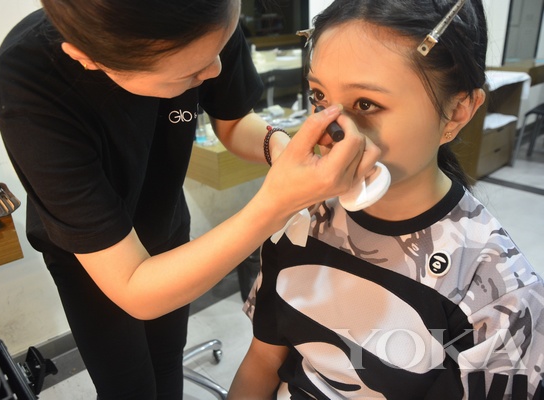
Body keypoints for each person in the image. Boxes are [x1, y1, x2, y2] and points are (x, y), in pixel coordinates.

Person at [0, 0, 378, 399]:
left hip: (166, 222)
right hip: (93, 260)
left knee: (166, 359)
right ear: (88, 59)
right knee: (128, 387)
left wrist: (280, 146)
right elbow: (134, 287)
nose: (216, 71)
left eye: (219, 49)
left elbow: (234, 121)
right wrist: (277, 203)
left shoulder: (204, 12)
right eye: (191, 72)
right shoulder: (30, 82)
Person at [229, 0, 544, 398]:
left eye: (366, 104)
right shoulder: (305, 219)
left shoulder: (498, 292)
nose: (329, 132)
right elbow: (262, 359)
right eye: (319, 96)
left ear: (458, 111)